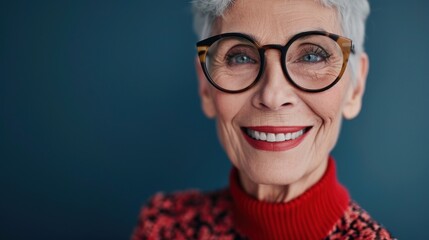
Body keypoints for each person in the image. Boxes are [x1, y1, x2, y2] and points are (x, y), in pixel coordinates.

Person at [132, 0, 395, 239]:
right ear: (205, 87)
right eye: (241, 57)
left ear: (356, 87)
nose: (272, 95)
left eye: (311, 56)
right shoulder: (163, 227)